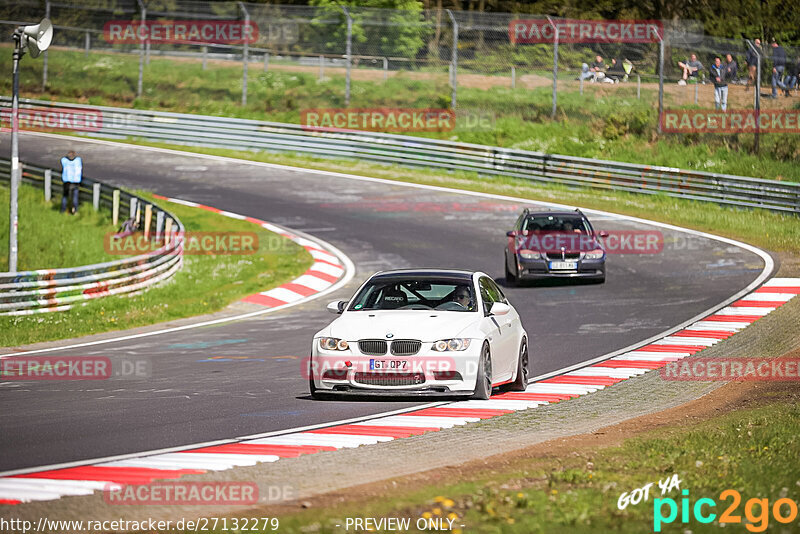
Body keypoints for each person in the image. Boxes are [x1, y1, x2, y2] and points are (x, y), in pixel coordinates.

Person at [60, 150, 83, 214]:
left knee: (65, 196)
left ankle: (63, 210)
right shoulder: (78, 160)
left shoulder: (64, 160)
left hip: (66, 181)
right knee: (75, 197)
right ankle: (75, 210)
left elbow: (63, 161)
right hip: (76, 181)